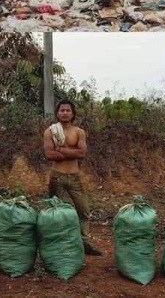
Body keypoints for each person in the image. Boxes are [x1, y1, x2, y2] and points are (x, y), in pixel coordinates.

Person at [43, 99, 103, 256]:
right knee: (55, 213)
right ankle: (57, 244)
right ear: (57, 113)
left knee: (84, 211)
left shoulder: (79, 132)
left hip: (74, 177)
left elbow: (82, 153)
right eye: (61, 110)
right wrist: (71, 152)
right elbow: (49, 154)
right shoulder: (51, 132)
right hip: (57, 176)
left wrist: (61, 150)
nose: (64, 113)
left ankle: (84, 242)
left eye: (67, 110)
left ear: (72, 113)